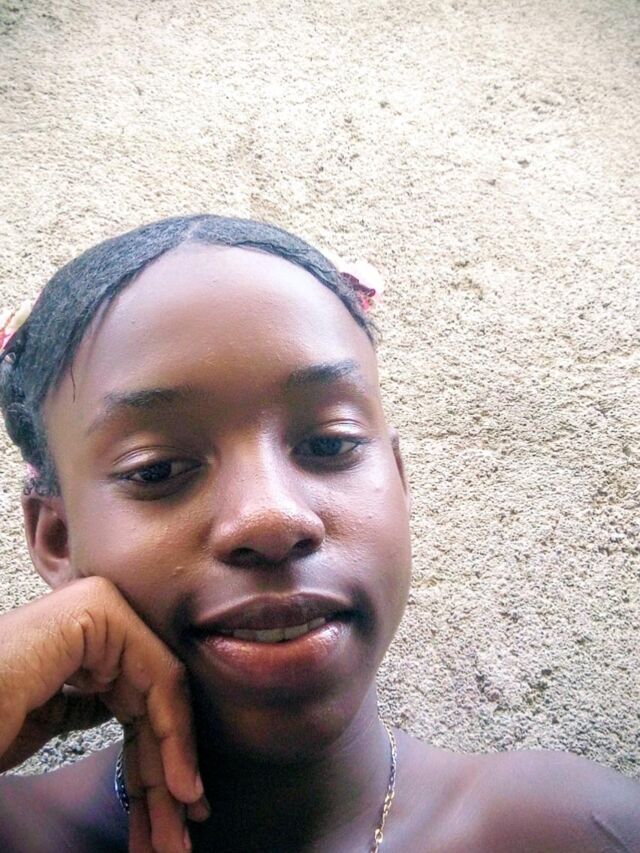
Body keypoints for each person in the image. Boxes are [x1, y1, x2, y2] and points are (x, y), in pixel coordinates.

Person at [0, 214, 637, 853]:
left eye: (330, 444)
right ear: (57, 539)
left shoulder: (574, 829)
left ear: (399, 479)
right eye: (157, 470)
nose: (272, 519)